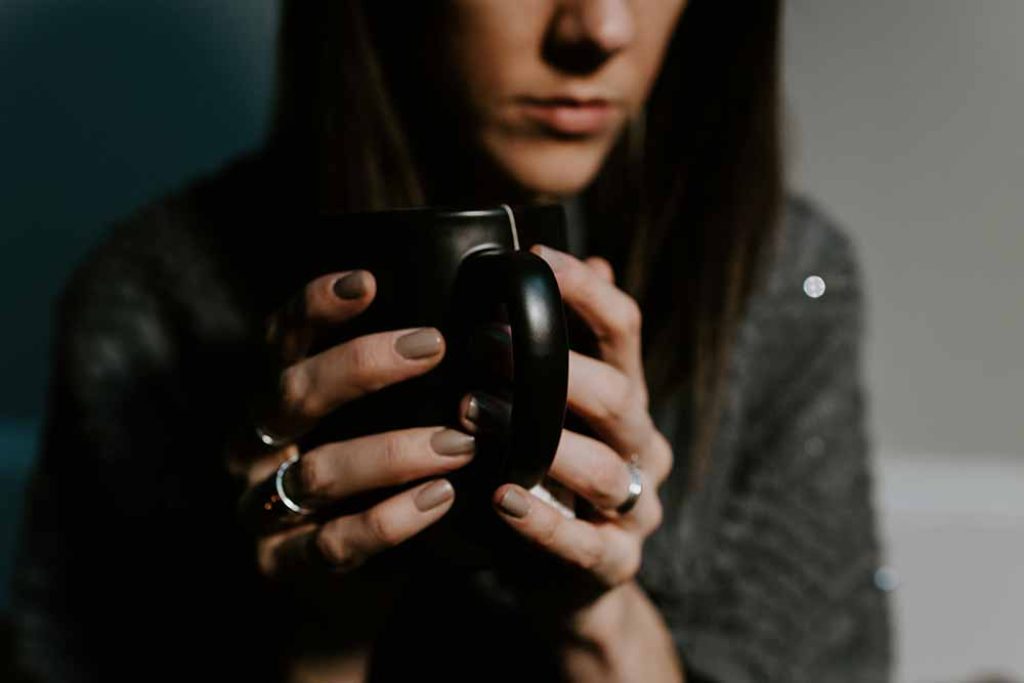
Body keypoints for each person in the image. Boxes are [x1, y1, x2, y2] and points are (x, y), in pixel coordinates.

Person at [10, 1, 893, 681]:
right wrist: (319, 635)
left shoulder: (780, 282)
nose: (600, 29)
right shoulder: (158, 301)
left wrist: (601, 619)